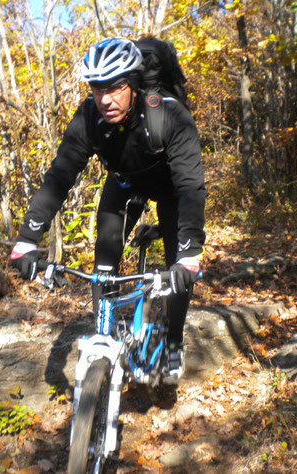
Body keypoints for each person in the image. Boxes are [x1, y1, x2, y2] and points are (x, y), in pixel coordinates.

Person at [10, 38, 205, 383]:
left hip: (172, 190)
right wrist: (27, 239)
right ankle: (107, 337)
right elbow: (60, 176)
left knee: (178, 270)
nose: (105, 99)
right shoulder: (89, 117)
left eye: (115, 87)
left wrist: (189, 253)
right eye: (97, 89)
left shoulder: (170, 114)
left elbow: (190, 185)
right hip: (126, 185)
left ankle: (173, 341)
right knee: (104, 262)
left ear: (132, 84)